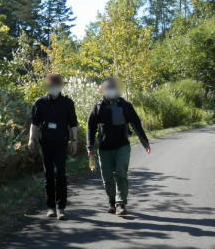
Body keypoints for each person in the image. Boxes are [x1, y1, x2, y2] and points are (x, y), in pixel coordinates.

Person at [87, 78, 151, 216]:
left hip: (122, 146)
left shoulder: (125, 105)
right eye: (107, 89)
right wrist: (90, 147)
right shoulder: (98, 107)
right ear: (103, 91)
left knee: (121, 173)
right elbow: (91, 128)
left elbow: (136, 123)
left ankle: (120, 204)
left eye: (113, 88)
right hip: (104, 148)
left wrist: (144, 142)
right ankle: (112, 202)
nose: (110, 91)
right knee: (107, 177)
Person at [28, 73, 79, 220]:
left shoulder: (68, 103)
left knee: (60, 174)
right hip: (46, 143)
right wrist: (31, 139)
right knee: (48, 175)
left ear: (61, 87)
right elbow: (34, 123)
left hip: (61, 142)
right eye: (52, 86)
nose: (54, 89)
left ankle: (61, 207)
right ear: (48, 87)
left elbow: (73, 124)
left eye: (57, 86)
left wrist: (74, 141)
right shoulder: (40, 103)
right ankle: (50, 207)